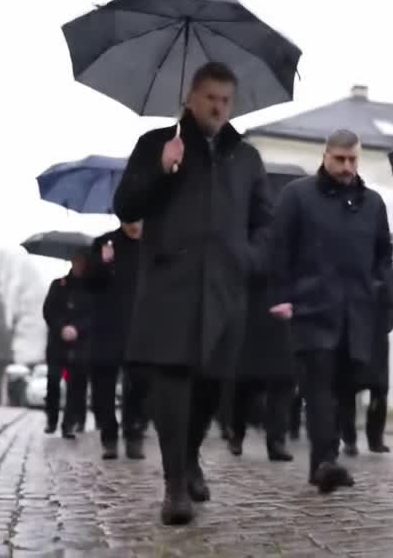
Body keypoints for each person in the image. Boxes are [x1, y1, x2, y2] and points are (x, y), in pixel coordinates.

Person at [113, 61, 273, 526]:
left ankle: (189, 457)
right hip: (171, 284)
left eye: (226, 101)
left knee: (211, 387)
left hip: (225, 289)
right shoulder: (157, 145)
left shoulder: (246, 158)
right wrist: (162, 170)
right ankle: (175, 486)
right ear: (190, 97)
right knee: (173, 384)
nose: (219, 108)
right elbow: (126, 204)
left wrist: (249, 256)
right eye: (210, 99)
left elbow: (265, 220)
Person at [268, 129, 393, 494]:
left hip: (357, 314)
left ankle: (323, 462)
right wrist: (281, 295)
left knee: (344, 389)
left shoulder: (372, 203)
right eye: (339, 159)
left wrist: (383, 295)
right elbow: (279, 249)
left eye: (353, 159)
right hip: (310, 309)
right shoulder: (297, 196)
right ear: (325, 156)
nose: (346, 167)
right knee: (318, 389)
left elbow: (383, 256)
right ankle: (326, 460)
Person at [228, 210, 297, 462]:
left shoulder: (293, 237)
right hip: (250, 314)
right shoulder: (244, 234)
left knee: (284, 381)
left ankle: (276, 440)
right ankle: (237, 433)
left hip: (284, 314)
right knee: (245, 382)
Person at [85, 220, 150, 461]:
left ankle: (134, 432)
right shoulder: (104, 243)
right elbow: (89, 283)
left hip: (140, 325)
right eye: (129, 221)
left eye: (139, 220)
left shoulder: (152, 242)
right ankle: (109, 436)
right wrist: (103, 263)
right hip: (107, 327)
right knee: (103, 386)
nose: (135, 226)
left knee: (140, 383)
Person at [339, 261, 393, 455]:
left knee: (379, 390)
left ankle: (375, 439)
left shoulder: (387, 271)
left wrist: (384, 327)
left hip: (377, 339)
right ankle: (349, 438)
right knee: (347, 392)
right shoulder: (346, 264)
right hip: (349, 336)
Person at [42, 249, 93, 439]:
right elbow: (48, 311)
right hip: (57, 344)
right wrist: (61, 328)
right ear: (71, 262)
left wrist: (77, 329)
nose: (79, 265)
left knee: (75, 386)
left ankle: (69, 423)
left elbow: (93, 316)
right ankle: (51, 418)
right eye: (76, 261)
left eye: (82, 262)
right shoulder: (58, 285)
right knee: (53, 381)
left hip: (79, 346)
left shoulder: (90, 289)